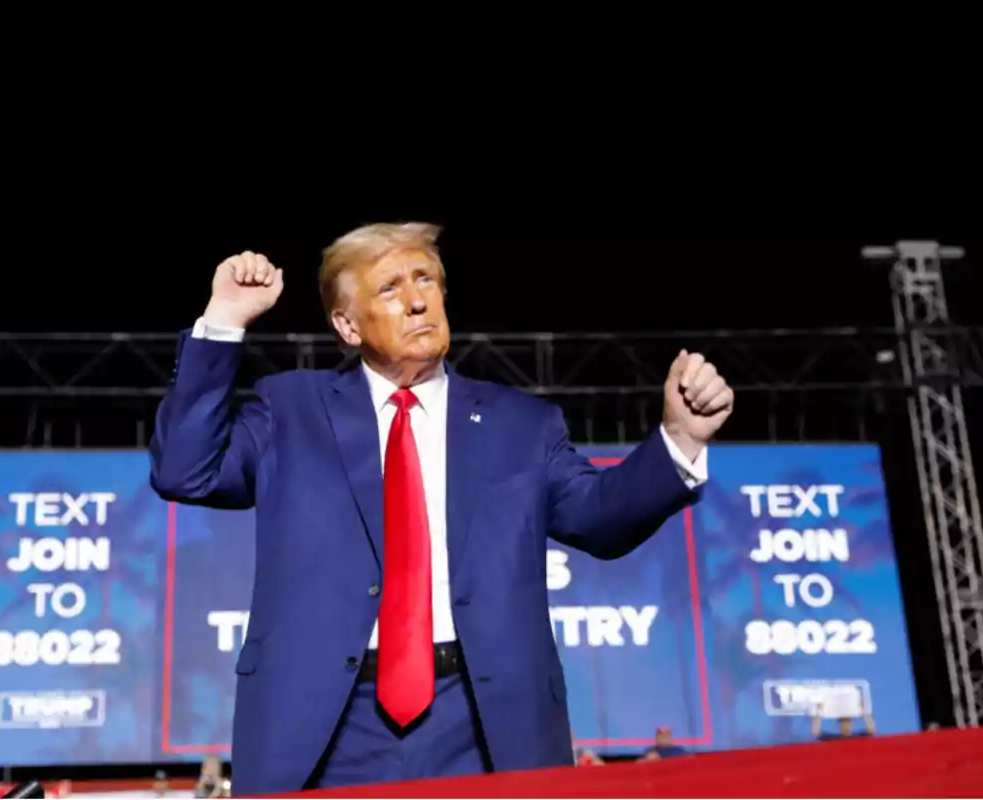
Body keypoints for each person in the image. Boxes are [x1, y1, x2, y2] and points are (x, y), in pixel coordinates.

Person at [150, 223, 734, 795]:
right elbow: (185, 471)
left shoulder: (521, 425)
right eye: (389, 288)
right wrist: (223, 320)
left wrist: (679, 440)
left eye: (425, 279)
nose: (415, 301)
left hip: (482, 725)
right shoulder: (291, 410)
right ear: (347, 326)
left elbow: (600, 518)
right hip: (325, 727)